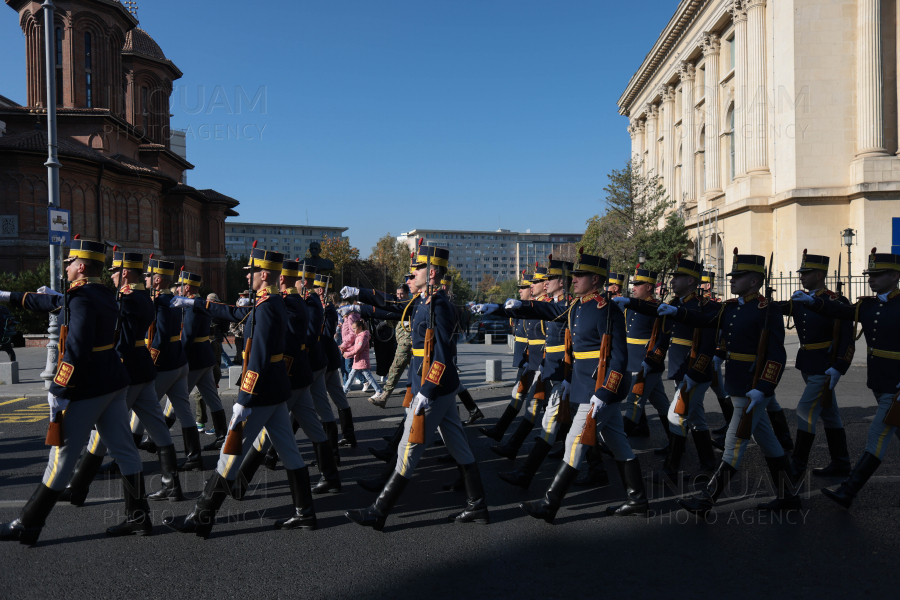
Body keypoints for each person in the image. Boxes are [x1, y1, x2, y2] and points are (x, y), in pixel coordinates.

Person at [0, 238, 150, 544]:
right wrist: (6, 296)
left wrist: (59, 386)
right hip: (113, 381)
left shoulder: (81, 297)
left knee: (62, 456)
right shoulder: (102, 293)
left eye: (70, 262)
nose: (66, 266)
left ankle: (28, 523)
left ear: (80, 266)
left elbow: (78, 348)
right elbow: (54, 302)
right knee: (124, 450)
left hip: (88, 387)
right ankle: (139, 516)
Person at [165, 248, 317, 537]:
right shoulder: (269, 302)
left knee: (230, 451)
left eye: (250, 272)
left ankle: (202, 515)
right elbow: (235, 312)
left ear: (262, 274)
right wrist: (197, 303)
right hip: (274, 389)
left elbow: (258, 359)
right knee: (289, 451)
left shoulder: (268, 306)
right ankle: (305, 512)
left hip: (259, 393)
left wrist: (244, 401)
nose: (246, 276)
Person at [345, 246, 489, 531]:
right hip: (439, 386)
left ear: (431, 272)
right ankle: (478, 505)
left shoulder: (439, 306)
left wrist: (426, 390)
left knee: (408, 447)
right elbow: (395, 305)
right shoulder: (424, 302)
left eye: (416, 270)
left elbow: (444, 355)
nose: (411, 275)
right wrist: (361, 299)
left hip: (433, 386)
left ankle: (379, 510)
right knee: (458, 445)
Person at [660, 250, 798, 515]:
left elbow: (776, 356)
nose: (732, 280)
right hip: (738, 384)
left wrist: (764, 388)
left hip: (753, 386)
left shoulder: (767, 310)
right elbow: (705, 320)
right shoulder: (732, 307)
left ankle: (706, 500)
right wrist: (677, 312)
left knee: (733, 444)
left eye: (738, 276)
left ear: (755, 281)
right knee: (769, 442)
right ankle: (788, 495)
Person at [518, 250, 648, 523]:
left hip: (600, 388)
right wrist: (509, 307)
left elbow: (618, 357)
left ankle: (549, 503)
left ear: (596, 280)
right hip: (586, 385)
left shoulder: (607, 309)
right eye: (574, 275)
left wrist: (604, 391)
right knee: (619, 444)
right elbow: (549, 311)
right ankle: (637, 499)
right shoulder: (577, 305)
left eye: (580, 275)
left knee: (574, 442)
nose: (573, 279)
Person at [57, 250, 185, 506]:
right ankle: (172, 484)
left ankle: (78, 487)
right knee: (158, 427)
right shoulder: (144, 296)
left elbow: (124, 343)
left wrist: (112, 365)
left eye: (115, 271)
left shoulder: (127, 298)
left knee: (102, 434)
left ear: (125, 272)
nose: (112, 276)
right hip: (144, 369)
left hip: (129, 371)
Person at [791, 247, 900, 509]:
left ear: (895, 276)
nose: (871, 279)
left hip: (896, 386)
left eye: (878, 274)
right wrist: (812, 302)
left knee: (878, 435)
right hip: (879, 381)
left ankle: (848, 491)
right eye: (869, 274)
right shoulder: (868, 305)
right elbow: (842, 313)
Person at [614, 257, 719, 488]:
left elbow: (708, 347)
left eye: (678, 277)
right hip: (680, 372)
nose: (673, 280)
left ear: (691, 280)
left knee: (676, 415)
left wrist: (694, 374)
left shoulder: (705, 307)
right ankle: (708, 463)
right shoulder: (676, 304)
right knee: (696, 418)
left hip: (694, 373)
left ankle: (671, 469)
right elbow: (662, 337)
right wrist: (651, 362)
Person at [492, 258, 576, 490]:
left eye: (550, 278)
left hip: (564, 369)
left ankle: (526, 472)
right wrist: (498, 309)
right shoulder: (556, 302)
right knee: (555, 414)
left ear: (561, 281)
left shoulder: (569, 304)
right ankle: (597, 465)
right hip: (549, 366)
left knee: (554, 417)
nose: (546, 282)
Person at [772, 251, 855, 477]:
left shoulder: (836, 302)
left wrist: (839, 366)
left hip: (824, 365)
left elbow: (847, 339)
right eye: (801, 273)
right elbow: (781, 308)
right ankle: (841, 463)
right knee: (829, 413)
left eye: (806, 273)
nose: (801, 277)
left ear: (819, 275)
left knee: (805, 410)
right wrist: (764, 301)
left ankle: (797, 466)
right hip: (807, 363)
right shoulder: (800, 299)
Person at [176, 270, 228, 452]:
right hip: (205, 356)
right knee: (212, 399)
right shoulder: (201, 302)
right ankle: (222, 436)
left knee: (175, 402)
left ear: (187, 287)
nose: (177, 288)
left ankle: (156, 438)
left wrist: (178, 355)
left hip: (194, 359)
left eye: (179, 285)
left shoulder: (192, 305)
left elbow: (188, 335)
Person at [620, 267, 671, 445]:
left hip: (645, 365)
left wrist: (650, 362)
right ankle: (676, 442)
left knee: (633, 403)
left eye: (638, 284)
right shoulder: (631, 307)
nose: (633, 287)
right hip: (632, 363)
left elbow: (662, 340)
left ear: (649, 287)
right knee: (662, 404)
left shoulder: (656, 308)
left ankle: (617, 442)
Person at [342, 320, 382, 395]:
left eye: (354, 328)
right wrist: (345, 349)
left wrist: (347, 354)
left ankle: (378, 391)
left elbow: (358, 349)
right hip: (358, 360)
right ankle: (344, 391)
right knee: (352, 376)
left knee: (368, 376)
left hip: (362, 361)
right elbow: (355, 347)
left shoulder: (362, 337)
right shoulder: (360, 336)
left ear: (360, 327)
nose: (353, 330)